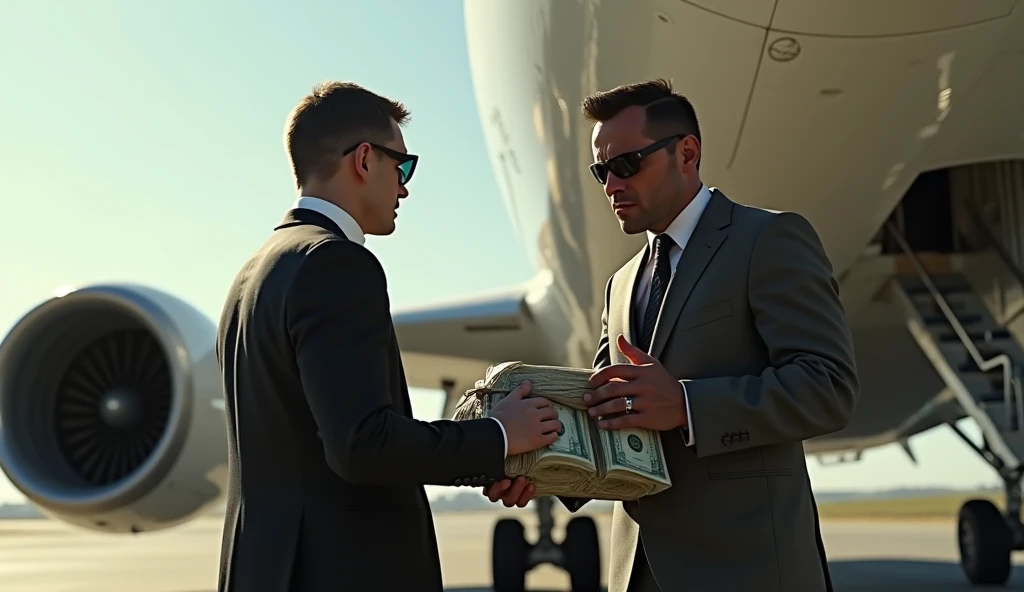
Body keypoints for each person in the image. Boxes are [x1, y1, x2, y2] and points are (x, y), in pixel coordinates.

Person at [484, 78, 859, 592]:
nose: (611, 185)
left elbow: (828, 388)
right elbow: (604, 414)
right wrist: (539, 469)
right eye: (601, 172)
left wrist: (686, 405)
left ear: (687, 152)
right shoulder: (620, 285)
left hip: (747, 570)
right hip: (634, 572)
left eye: (626, 165)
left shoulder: (769, 240)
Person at [215, 81, 563, 592]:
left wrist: (485, 457)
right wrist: (501, 436)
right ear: (363, 160)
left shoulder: (253, 275)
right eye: (402, 166)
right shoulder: (336, 263)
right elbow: (363, 445)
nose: (404, 188)